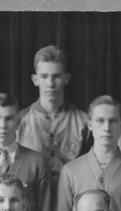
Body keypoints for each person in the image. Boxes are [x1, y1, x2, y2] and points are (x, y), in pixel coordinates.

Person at [16, 45, 88, 188]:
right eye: (44, 76)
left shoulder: (84, 122)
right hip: (31, 202)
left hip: (72, 200)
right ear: (35, 79)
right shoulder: (19, 121)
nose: (50, 83)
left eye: (56, 76)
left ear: (66, 78)